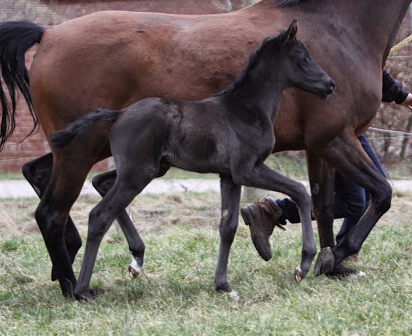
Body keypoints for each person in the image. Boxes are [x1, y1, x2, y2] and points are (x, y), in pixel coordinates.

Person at [241, 69, 412, 262]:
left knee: (373, 188)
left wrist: (401, 96)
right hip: (336, 123)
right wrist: (400, 96)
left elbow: (367, 64)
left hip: (348, 121)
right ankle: (274, 212)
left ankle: (341, 251)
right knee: (357, 201)